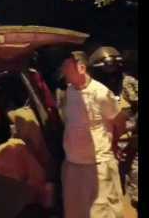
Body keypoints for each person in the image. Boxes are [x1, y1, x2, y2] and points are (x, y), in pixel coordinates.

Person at [60, 51, 127, 218]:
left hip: (98, 167)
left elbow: (119, 122)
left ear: (81, 69)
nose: (64, 73)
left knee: (101, 212)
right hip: (73, 165)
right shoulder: (69, 91)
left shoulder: (101, 93)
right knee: (75, 212)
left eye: (68, 69)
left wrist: (113, 142)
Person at [90, 47, 138, 212]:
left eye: (114, 65)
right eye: (107, 66)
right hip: (108, 147)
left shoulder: (128, 84)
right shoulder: (93, 90)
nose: (111, 71)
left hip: (132, 143)